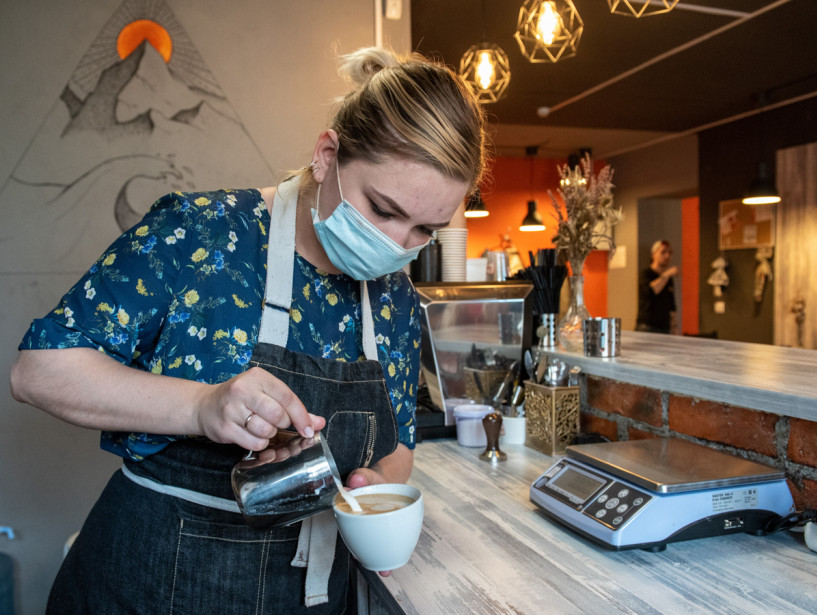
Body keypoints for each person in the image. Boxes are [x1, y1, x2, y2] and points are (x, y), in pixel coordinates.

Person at [10, 47, 487, 613]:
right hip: (152, 585)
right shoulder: (201, 233)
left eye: (425, 230)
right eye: (382, 210)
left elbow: (401, 440)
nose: (396, 243)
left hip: (311, 597)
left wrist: (372, 482)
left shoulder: (396, 301)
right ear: (327, 155)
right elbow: (39, 369)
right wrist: (202, 406)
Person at [636, 239, 678, 334]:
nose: (667, 256)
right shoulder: (646, 274)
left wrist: (674, 326)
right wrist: (667, 274)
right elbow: (652, 290)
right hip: (647, 327)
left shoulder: (669, 279)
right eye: (663, 252)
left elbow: (672, 305)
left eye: (669, 253)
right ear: (654, 254)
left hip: (664, 328)